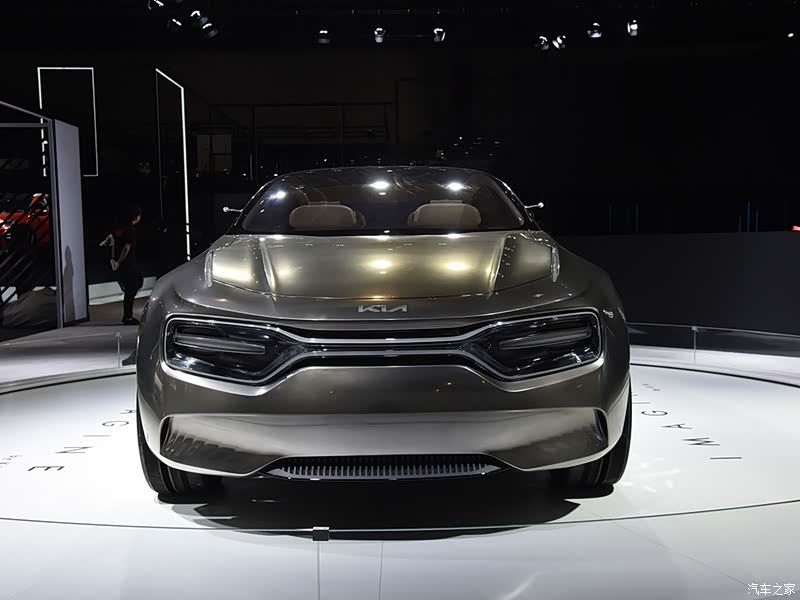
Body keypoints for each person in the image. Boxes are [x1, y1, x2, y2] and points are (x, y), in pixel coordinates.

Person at [111, 204, 144, 325]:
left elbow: (113, 241)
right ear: (137, 216)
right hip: (128, 263)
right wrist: (118, 261)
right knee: (132, 288)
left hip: (126, 263)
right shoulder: (131, 229)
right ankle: (128, 316)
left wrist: (114, 259)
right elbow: (127, 247)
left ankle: (127, 315)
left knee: (135, 284)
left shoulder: (122, 228)